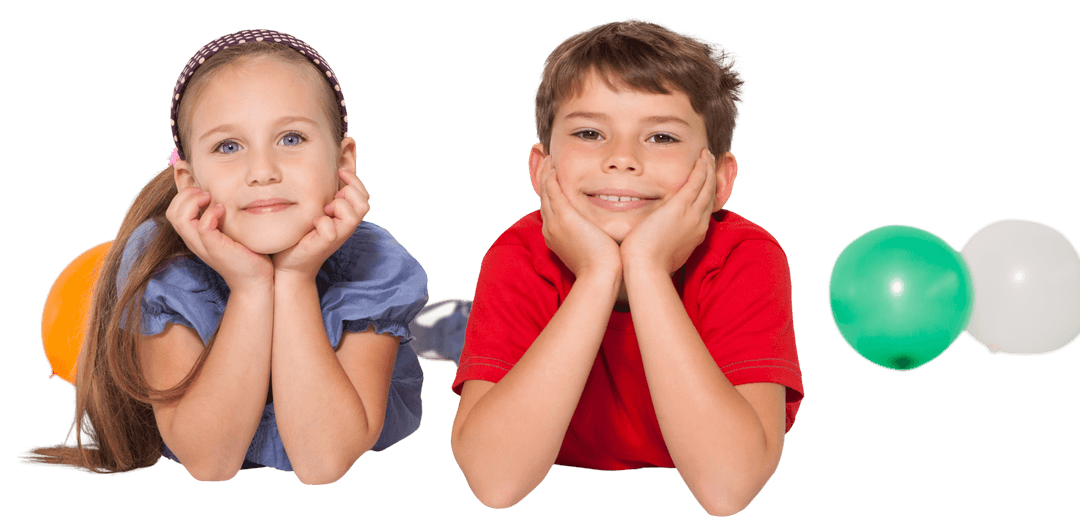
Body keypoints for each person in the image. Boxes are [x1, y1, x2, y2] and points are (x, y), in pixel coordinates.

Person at [19, 29, 427, 485]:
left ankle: (436, 332)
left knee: (421, 336)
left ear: (343, 161)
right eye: (228, 147)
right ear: (189, 181)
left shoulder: (376, 264)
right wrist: (252, 287)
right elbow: (210, 464)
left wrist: (294, 278)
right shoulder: (160, 263)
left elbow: (323, 464)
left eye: (291, 139)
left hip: (339, 413)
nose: (263, 172)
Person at [449, 18, 804, 516]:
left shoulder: (746, 257)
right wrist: (597, 274)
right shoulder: (517, 254)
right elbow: (496, 484)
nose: (622, 159)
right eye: (590, 132)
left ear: (720, 180)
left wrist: (646, 268)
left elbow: (726, 490)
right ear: (539, 167)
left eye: (661, 137)